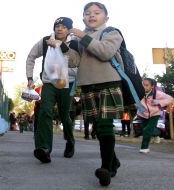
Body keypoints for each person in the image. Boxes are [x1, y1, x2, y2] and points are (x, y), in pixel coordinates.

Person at [70, 2, 123, 186]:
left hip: (108, 82)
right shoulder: (80, 39)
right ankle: (113, 161)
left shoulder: (112, 32)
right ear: (83, 18)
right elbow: (73, 62)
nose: (91, 15)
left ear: (105, 18)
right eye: (87, 13)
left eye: (96, 12)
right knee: (98, 127)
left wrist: (83, 36)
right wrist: (62, 46)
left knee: (105, 126)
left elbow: (105, 52)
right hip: (87, 86)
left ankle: (106, 168)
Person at [26, 17, 80, 163]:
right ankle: (44, 149)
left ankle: (70, 141)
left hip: (67, 83)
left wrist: (60, 46)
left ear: (69, 29)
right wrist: (30, 78)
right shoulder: (45, 41)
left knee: (64, 116)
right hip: (49, 82)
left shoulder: (75, 42)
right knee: (45, 111)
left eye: (63, 26)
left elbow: (76, 60)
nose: (59, 29)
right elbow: (31, 57)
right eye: (57, 26)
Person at [137, 78, 174, 153]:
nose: (144, 87)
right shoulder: (139, 92)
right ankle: (156, 134)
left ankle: (144, 148)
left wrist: (158, 102)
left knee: (147, 130)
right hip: (143, 114)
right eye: (143, 85)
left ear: (152, 86)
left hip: (155, 114)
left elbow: (170, 99)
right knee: (147, 130)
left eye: (147, 85)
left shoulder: (158, 93)